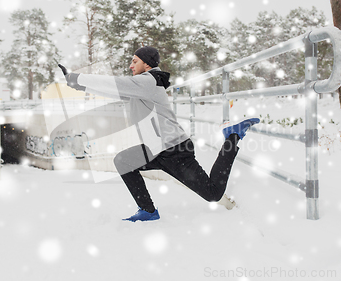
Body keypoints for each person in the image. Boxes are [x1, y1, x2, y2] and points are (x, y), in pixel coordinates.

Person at [64, 46, 259, 222]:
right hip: (156, 149)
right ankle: (148, 211)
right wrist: (81, 86)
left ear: (147, 64)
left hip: (175, 151)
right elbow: (114, 91)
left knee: (213, 194)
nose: (131, 65)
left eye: (135, 61)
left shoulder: (148, 81)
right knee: (123, 161)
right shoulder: (140, 86)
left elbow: (115, 83)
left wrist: (77, 78)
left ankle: (232, 136)